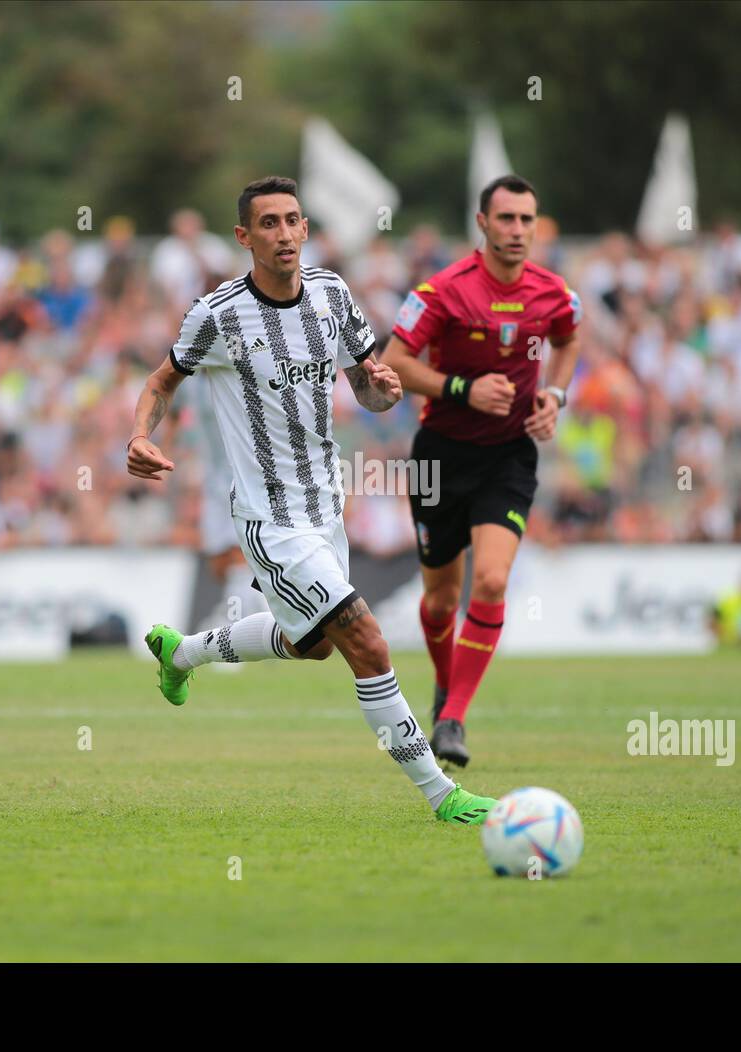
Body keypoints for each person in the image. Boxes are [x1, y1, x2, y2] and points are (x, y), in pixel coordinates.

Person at [126, 176, 498, 827]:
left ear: (305, 230)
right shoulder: (217, 314)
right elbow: (160, 384)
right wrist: (138, 436)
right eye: (267, 223)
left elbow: (371, 389)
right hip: (269, 520)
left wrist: (383, 387)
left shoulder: (330, 295)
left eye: (292, 220)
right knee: (368, 643)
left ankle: (182, 653)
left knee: (314, 645)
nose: (283, 234)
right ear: (244, 238)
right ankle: (442, 793)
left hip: (327, 509)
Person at [378, 175, 581, 766]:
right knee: (441, 601)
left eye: (527, 219)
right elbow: (394, 363)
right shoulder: (442, 291)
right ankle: (446, 688)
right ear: (482, 223)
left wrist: (556, 396)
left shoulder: (553, 292)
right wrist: (463, 388)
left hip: (509, 457)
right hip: (440, 455)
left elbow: (569, 340)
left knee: (491, 582)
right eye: (507, 219)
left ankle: (453, 718)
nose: (518, 230)